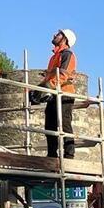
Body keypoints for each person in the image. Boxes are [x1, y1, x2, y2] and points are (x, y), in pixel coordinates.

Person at [41, 28, 77, 159]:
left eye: (58, 34)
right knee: (49, 124)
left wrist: (48, 86)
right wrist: (39, 89)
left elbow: (63, 74)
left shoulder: (67, 54)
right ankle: (52, 155)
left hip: (64, 93)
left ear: (65, 39)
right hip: (53, 92)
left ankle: (69, 155)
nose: (55, 35)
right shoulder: (53, 57)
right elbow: (49, 76)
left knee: (64, 123)